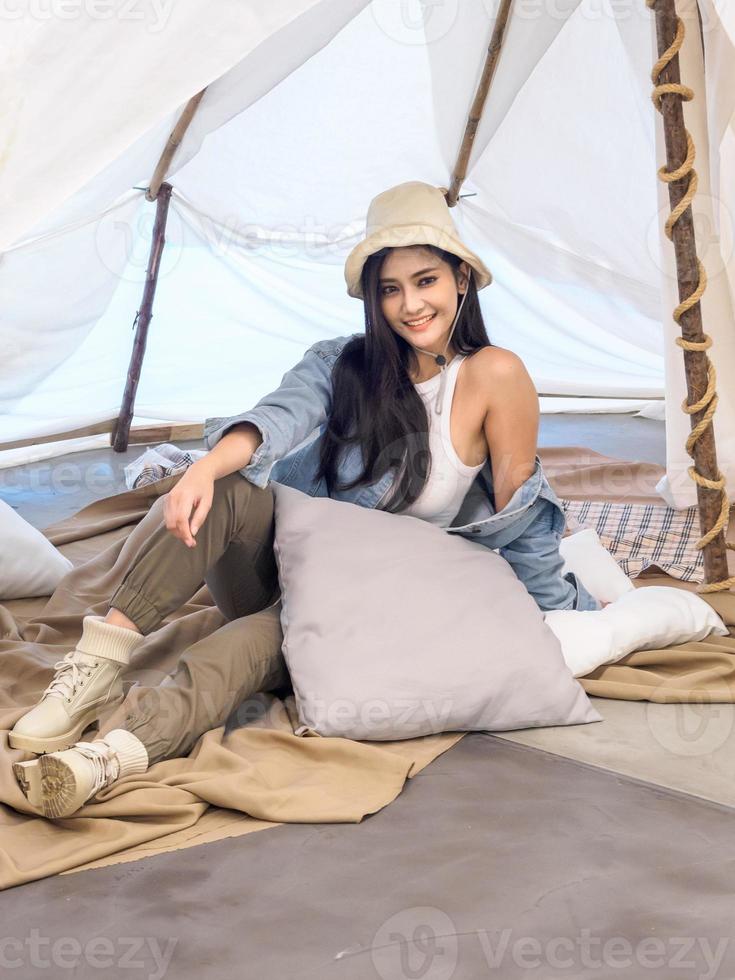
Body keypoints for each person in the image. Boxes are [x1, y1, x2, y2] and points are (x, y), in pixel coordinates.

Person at [10, 180, 603, 820]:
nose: (410, 305)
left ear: (461, 278)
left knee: (238, 650)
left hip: (363, 603)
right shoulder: (341, 364)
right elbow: (279, 417)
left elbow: (520, 510)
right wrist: (202, 468)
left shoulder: (496, 374)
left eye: (425, 280)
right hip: (290, 568)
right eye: (390, 289)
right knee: (230, 487)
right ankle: (92, 672)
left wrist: (560, 611)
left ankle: (104, 759)